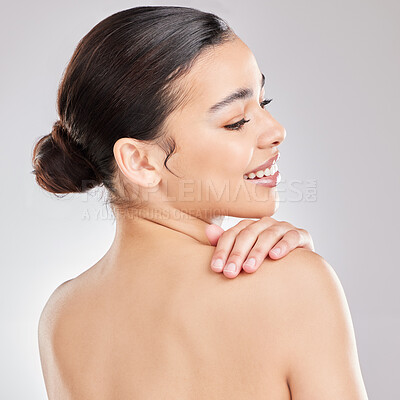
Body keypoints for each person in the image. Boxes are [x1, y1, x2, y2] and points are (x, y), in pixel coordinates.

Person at [32, 6, 368, 399]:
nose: (276, 131)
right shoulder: (293, 285)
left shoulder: (61, 317)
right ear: (140, 161)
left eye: (264, 101)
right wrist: (299, 276)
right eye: (236, 122)